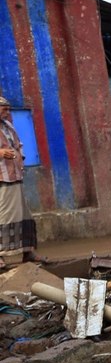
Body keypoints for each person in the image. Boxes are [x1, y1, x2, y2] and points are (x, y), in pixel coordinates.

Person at [0, 97, 36, 263]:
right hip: (3, 179)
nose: (7, 113)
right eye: (4, 109)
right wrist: (1, 153)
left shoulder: (8, 126)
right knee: (4, 216)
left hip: (15, 175)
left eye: (8, 109)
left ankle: (27, 252)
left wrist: (20, 157)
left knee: (24, 214)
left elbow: (18, 145)